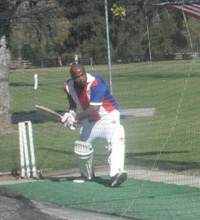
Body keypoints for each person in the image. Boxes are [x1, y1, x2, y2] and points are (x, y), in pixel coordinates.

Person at [63, 64, 127, 187]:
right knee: (82, 148)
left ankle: (116, 174)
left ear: (85, 72)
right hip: (89, 121)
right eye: (77, 77)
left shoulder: (96, 83)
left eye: (82, 75)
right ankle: (87, 174)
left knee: (117, 139)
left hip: (107, 117)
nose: (81, 78)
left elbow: (93, 109)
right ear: (72, 78)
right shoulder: (68, 86)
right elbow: (72, 98)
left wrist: (75, 119)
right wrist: (71, 112)